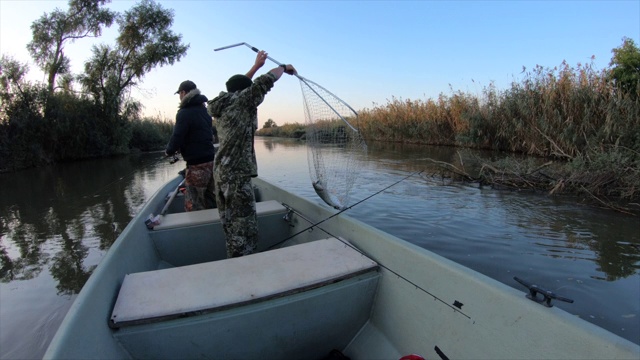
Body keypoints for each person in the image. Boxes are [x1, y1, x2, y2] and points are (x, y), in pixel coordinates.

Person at [207, 50, 297, 258]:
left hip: (221, 175)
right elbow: (265, 82)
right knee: (245, 232)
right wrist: (284, 67)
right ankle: (245, 271)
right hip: (237, 178)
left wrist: (255, 66)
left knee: (230, 226)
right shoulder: (242, 102)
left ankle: (234, 262)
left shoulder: (222, 105)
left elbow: (238, 87)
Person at [165, 80, 216, 212]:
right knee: (211, 198)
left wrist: (169, 151)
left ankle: (198, 231)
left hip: (196, 165)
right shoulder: (205, 111)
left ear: (183, 93)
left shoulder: (184, 113)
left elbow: (177, 137)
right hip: (212, 162)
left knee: (193, 204)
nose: (179, 97)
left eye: (179, 93)